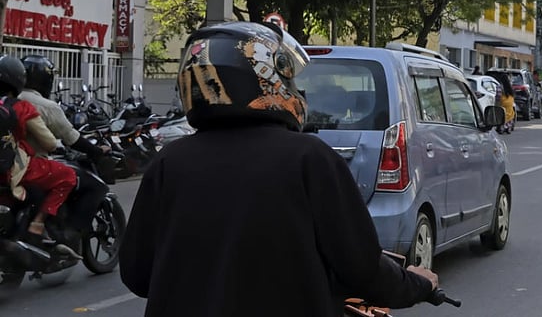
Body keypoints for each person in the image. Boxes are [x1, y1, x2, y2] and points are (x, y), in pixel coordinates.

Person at [120, 21, 438, 317]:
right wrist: (418, 284)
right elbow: (362, 268)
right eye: (289, 78)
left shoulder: (167, 163)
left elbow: (137, 274)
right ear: (265, 79)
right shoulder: (310, 159)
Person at [19, 54, 113, 230]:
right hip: (30, 165)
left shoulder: (8, 101)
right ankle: (69, 231)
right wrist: (97, 151)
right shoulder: (43, 106)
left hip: (10, 163)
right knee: (84, 182)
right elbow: (65, 139)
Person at [0, 55, 78, 248]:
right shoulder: (22, 107)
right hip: (13, 170)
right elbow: (49, 143)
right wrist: (58, 145)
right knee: (68, 175)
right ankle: (38, 222)